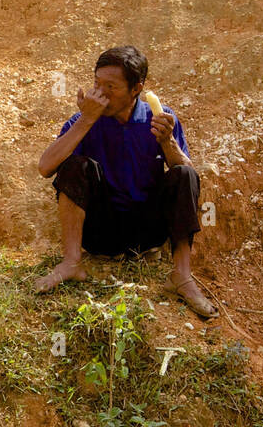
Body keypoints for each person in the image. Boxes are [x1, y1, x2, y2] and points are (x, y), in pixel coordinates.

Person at [36, 44, 216, 317]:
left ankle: (181, 276)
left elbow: (189, 177)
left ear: (136, 89)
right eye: (97, 84)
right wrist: (86, 121)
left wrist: (167, 143)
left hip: (148, 233)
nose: (100, 94)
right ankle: (72, 262)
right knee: (73, 165)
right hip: (101, 232)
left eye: (111, 87)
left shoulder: (159, 119)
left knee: (184, 173)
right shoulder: (84, 120)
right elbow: (45, 167)